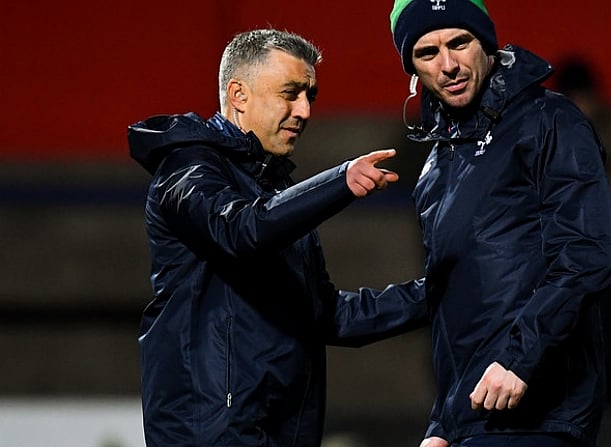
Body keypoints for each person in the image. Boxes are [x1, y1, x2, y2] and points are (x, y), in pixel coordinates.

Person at [127, 29, 428, 447]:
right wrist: (340, 181)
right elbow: (240, 231)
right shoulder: (187, 170)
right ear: (238, 95)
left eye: (310, 96)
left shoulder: (273, 197)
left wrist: (440, 291)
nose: (304, 110)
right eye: (290, 93)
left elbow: (327, 315)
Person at [388, 1, 611, 446]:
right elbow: (457, 303)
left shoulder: (551, 120)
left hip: (541, 413)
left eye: (460, 42)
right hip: (474, 419)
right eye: (428, 52)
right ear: (412, 69)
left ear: (487, 43)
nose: (449, 64)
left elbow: (586, 255)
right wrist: (444, 423)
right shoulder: (438, 164)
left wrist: (519, 359)